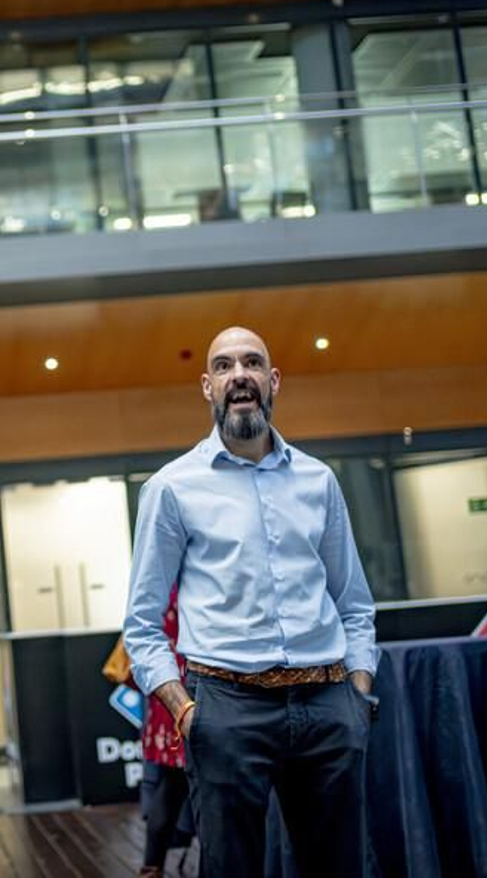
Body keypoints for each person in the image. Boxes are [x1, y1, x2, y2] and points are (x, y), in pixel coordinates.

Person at [123, 326, 379, 878]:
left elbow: (354, 602)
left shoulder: (319, 480)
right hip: (225, 710)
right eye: (223, 366)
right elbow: (142, 624)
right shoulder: (172, 488)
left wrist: (357, 694)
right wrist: (187, 712)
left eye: (252, 363)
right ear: (207, 387)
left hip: (328, 704)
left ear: (273, 380)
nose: (239, 374)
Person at [135, 587, 191, 878]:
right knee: (209, 793)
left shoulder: (163, 586)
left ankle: (151, 869)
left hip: (165, 692)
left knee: (169, 786)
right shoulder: (197, 585)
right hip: (191, 692)